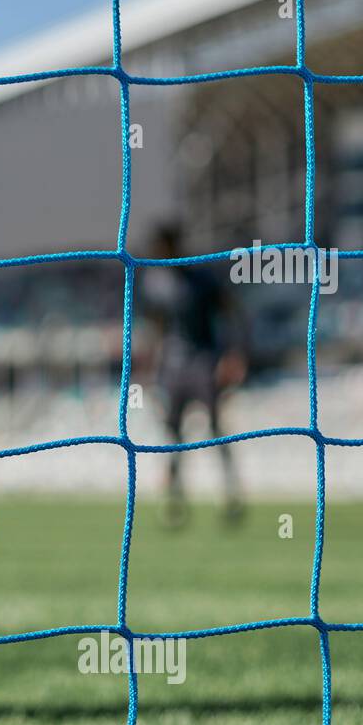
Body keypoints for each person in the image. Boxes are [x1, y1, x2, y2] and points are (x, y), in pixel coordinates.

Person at [140, 224, 249, 526]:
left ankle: (230, 494)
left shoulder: (201, 278)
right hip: (172, 369)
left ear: (174, 246)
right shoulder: (154, 282)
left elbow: (231, 312)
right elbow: (156, 329)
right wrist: (150, 370)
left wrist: (233, 354)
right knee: (172, 435)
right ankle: (175, 500)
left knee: (216, 429)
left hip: (204, 363)